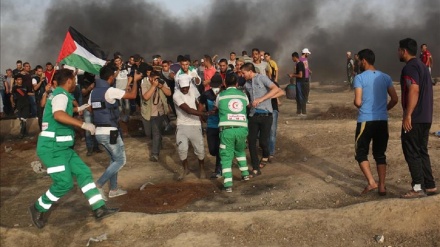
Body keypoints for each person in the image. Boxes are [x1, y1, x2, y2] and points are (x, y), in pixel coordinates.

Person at [29, 68, 118, 229]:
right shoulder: (61, 95)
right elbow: (58, 115)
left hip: (62, 148)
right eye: (74, 80)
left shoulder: (60, 96)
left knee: (83, 173)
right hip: (53, 148)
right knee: (64, 183)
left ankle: (99, 208)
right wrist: (83, 124)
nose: (76, 83)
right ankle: (38, 207)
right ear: (69, 81)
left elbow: (64, 111)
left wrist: (81, 108)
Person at [90, 64, 141, 200]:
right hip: (110, 132)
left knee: (113, 160)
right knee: (120, 160)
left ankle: (113, 189)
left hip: (99, 132)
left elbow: (90, 108)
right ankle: (99, 185)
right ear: (111, 77)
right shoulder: (110, 91)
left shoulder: (93, 92)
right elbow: (133, 95)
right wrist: (135, 80)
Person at [353, 48, 398, 196]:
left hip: (366, 120)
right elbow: (395, 99)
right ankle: (382, 187)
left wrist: (361, 104)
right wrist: (383, 109)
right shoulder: (385, 77)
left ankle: (372, 182)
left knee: (361, 153)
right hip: (382, 121)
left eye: (358, 60)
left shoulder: (359, 78)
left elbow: (358, 102)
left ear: (363, 61)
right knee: (380, 154)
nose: (358, 63)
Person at [398, 38, 436, 198]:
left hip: (415, 118)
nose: (398, 53)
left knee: (411, 151)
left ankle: (418, 187)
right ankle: (430, 185)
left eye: (399, 50)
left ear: (404, 51)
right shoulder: (421, 66)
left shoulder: (410, 67)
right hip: (426, 116)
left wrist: (408, 115)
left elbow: (413, 89)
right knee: (422, 150)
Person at [242, 63, 284, 177]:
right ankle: (255, 168)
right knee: (251, 141)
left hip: (266, 115)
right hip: (253, 116)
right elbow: (245, 99)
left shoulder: (262, 78)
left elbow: (276, 89)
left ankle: (266, 155)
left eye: (244, 73)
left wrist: (262, 99)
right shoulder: (246, 85)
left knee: (263, 142)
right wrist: (248, 104)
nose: (242, 75)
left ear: (250, 71)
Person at [216, 73, 250, 192]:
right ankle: (245, 174)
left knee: (226, 156)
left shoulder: (221, 95)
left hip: (227, 130)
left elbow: (217, 107)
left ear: (225, 83)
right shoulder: (243, 95)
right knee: (240, 151)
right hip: (242, 129)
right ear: (237, 83)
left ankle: (228, 184)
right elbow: (247, 106)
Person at [173, 75, 208, 180]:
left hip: (195, 124)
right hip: (182, 124)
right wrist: (204, 114)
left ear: (189, 85)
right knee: (182, 149)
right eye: (183, 87)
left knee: (200, 149)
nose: (185, 89)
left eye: (186, 87)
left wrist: (202, 114)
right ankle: (185, 169)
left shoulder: (193, 90)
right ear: (179, 85)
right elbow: (187, 110)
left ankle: (202, 169)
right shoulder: (176, 95)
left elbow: (199, 103)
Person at [140, 70, 171, 162]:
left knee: (156, 133)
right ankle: (158, 141)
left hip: (159, 112)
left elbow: (169, 93)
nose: (157, 80)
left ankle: (155, 154)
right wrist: (153, 86)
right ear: (150, 78)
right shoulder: (144, 82)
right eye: (154, 79)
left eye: (158, 78)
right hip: (147, 112)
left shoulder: (162, 82)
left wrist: (161, 86)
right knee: (148, 133)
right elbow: (145, 97)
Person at [199, 74, 223, 178]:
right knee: (212, 150)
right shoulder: (206, 94)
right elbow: (200, 104)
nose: (215, 88)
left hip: (223, 125)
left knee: (220, 148)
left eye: (217, 86)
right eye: (213, 86)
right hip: (211, 125)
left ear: (221, 85)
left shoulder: (224, 93)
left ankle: (219, 168)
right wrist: (201, 115)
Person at [10, 74, 30, 138]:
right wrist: (12, 102)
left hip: (26, 104)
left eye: (20, 79)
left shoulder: (25, 86)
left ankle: (21, 133)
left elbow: (29, 93)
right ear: (16, 80)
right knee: (21, 119)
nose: (20, 81)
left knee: (24, 118)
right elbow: (12, 96)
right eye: (18, 79)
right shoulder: (14, 88)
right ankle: (25, 132)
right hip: (18, 104)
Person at [289, 52, 307, 116]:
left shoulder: (299, 64)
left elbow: (300, 75)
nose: (292, 59)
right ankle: (299, 112)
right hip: (299, 82)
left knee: (301, 96)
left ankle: (303, 112)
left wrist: (292, 75)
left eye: (292, 57)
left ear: (295, 57)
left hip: (300, 82)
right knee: (298, 97)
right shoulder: (298, 64)